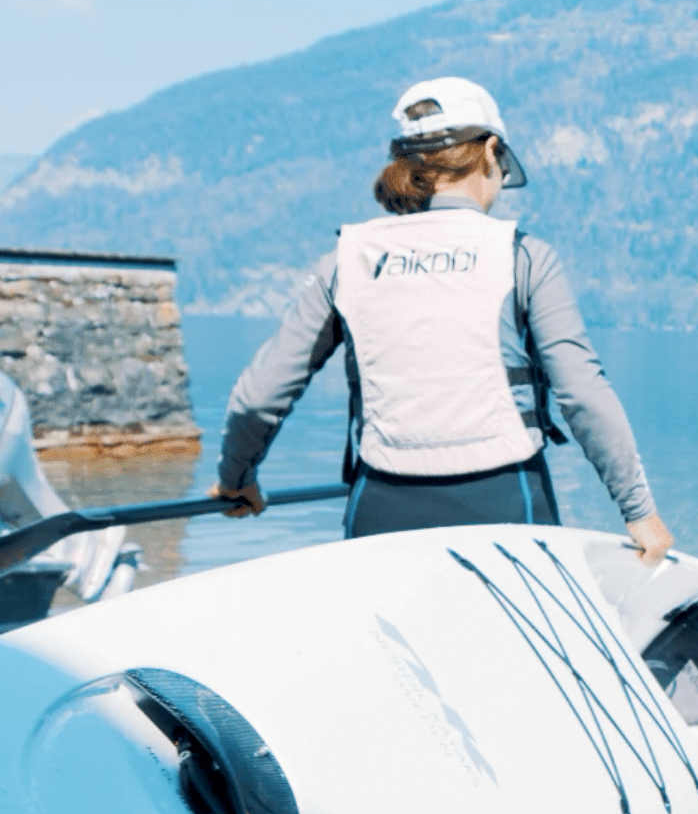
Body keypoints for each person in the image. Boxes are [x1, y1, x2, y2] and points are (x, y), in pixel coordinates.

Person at [211, 76, 672, 559]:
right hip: (507, 498)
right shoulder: (523, 256)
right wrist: (639, 512)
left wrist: (236, 479)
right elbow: (584, 395)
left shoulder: (347, 259)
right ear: (492, 152)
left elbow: (259, 396)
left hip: (381, 505)